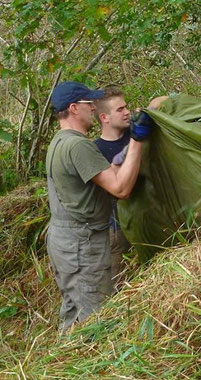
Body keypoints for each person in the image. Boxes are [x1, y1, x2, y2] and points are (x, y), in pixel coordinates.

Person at [45, 81, 153, 332]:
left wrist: (123, 157)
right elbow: (120, 189)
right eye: (88, 103)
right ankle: (83, 366)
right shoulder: (78, 145)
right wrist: (137, 140)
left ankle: (64, 362)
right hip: (82, 246)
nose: (93, 108)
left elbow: (104, 174)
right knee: (94, 319)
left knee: (75, 311)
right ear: (74, 108)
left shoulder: (60, 142)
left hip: (66, 241)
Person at [93, 87, 133, 287]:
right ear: (104, 117)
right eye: (120, 109)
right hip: (118, 230)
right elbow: (116, 187)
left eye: (126, 107)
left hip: (150, 217)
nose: (127, 112)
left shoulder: (136, 132)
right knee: (122, 286)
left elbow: (161, 101)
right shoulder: (94, 151)